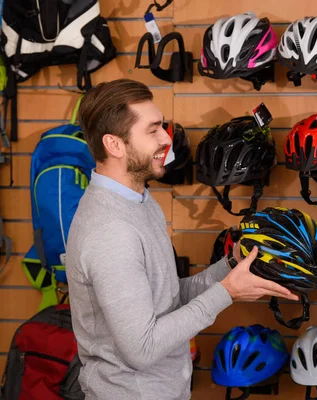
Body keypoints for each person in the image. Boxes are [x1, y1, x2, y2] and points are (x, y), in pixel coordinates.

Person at [65, 78, 298, 400]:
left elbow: (165, 300)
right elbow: (142, 349)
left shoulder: (139, 202)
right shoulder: (111, 231)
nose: (166, 139)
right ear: (114, 145)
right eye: (153, 130)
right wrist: (227, 293)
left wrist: (231, 265)